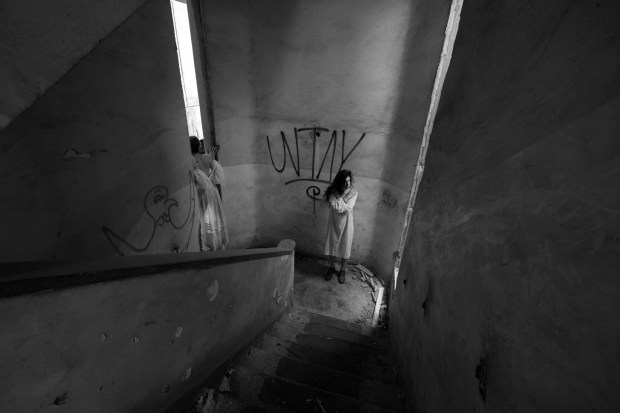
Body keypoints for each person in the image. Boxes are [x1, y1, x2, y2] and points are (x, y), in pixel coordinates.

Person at [189, 136, 228, 251]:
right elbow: (219, 177)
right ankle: (218, 243)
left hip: (202, 194)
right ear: (199, 146)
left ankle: (209, 245)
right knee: (215, 216)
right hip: (213, 191)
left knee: (206, 218)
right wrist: (211, 157)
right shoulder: (207, 157)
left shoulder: (189, 160)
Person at [324, 169, 358, 284]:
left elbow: (348, 208)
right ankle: (331, 268)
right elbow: (337, 208)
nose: (347, 183)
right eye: (345, 181)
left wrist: (342, 199)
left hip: (347, 223)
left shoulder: (354, 192)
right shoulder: (332, 192)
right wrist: (344, 195)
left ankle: (342, 270)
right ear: (339, 181)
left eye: (349, 181)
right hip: (334, 222)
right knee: (331, 244)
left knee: (345, 246)